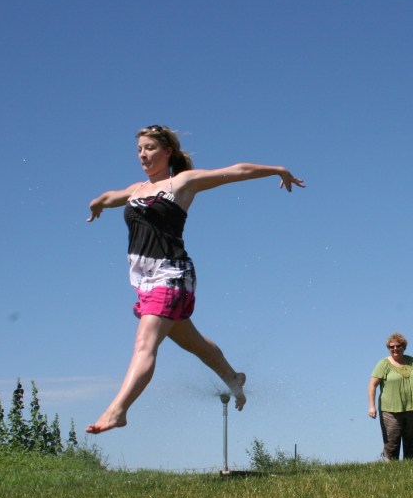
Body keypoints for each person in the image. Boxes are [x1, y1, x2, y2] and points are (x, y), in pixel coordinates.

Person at [85, 124, 305, 434]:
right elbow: (109, 197)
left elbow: (237, 170)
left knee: (144, 344)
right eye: (139, 150)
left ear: (167, 152)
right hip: (145, 283)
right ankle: (233, 377)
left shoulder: (182, 183)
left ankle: (117, 410)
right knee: (195, 344)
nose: (143, 155)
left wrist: (277, 170)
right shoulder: (135, 190)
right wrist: (97, 204)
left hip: (171, 274)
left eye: (149, 148)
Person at [368, 333, 413, 460]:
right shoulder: (383, 364)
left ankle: (412, 471)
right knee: (392, 443)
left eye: (398, 346)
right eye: (391, 347)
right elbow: (372, 385)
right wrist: (372, 406)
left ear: (404, 347)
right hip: (390, 411)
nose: (395, 349)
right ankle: (390, 471)